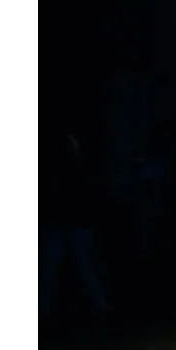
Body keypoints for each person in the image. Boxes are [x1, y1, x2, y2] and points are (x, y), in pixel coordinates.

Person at [41, 132, 110, 320]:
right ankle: (98, 308)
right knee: (81, 267)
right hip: (74, 225)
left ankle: (44, 309)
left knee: (53, 268)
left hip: (67, 224)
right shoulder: (78, 170)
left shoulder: (56, 172)